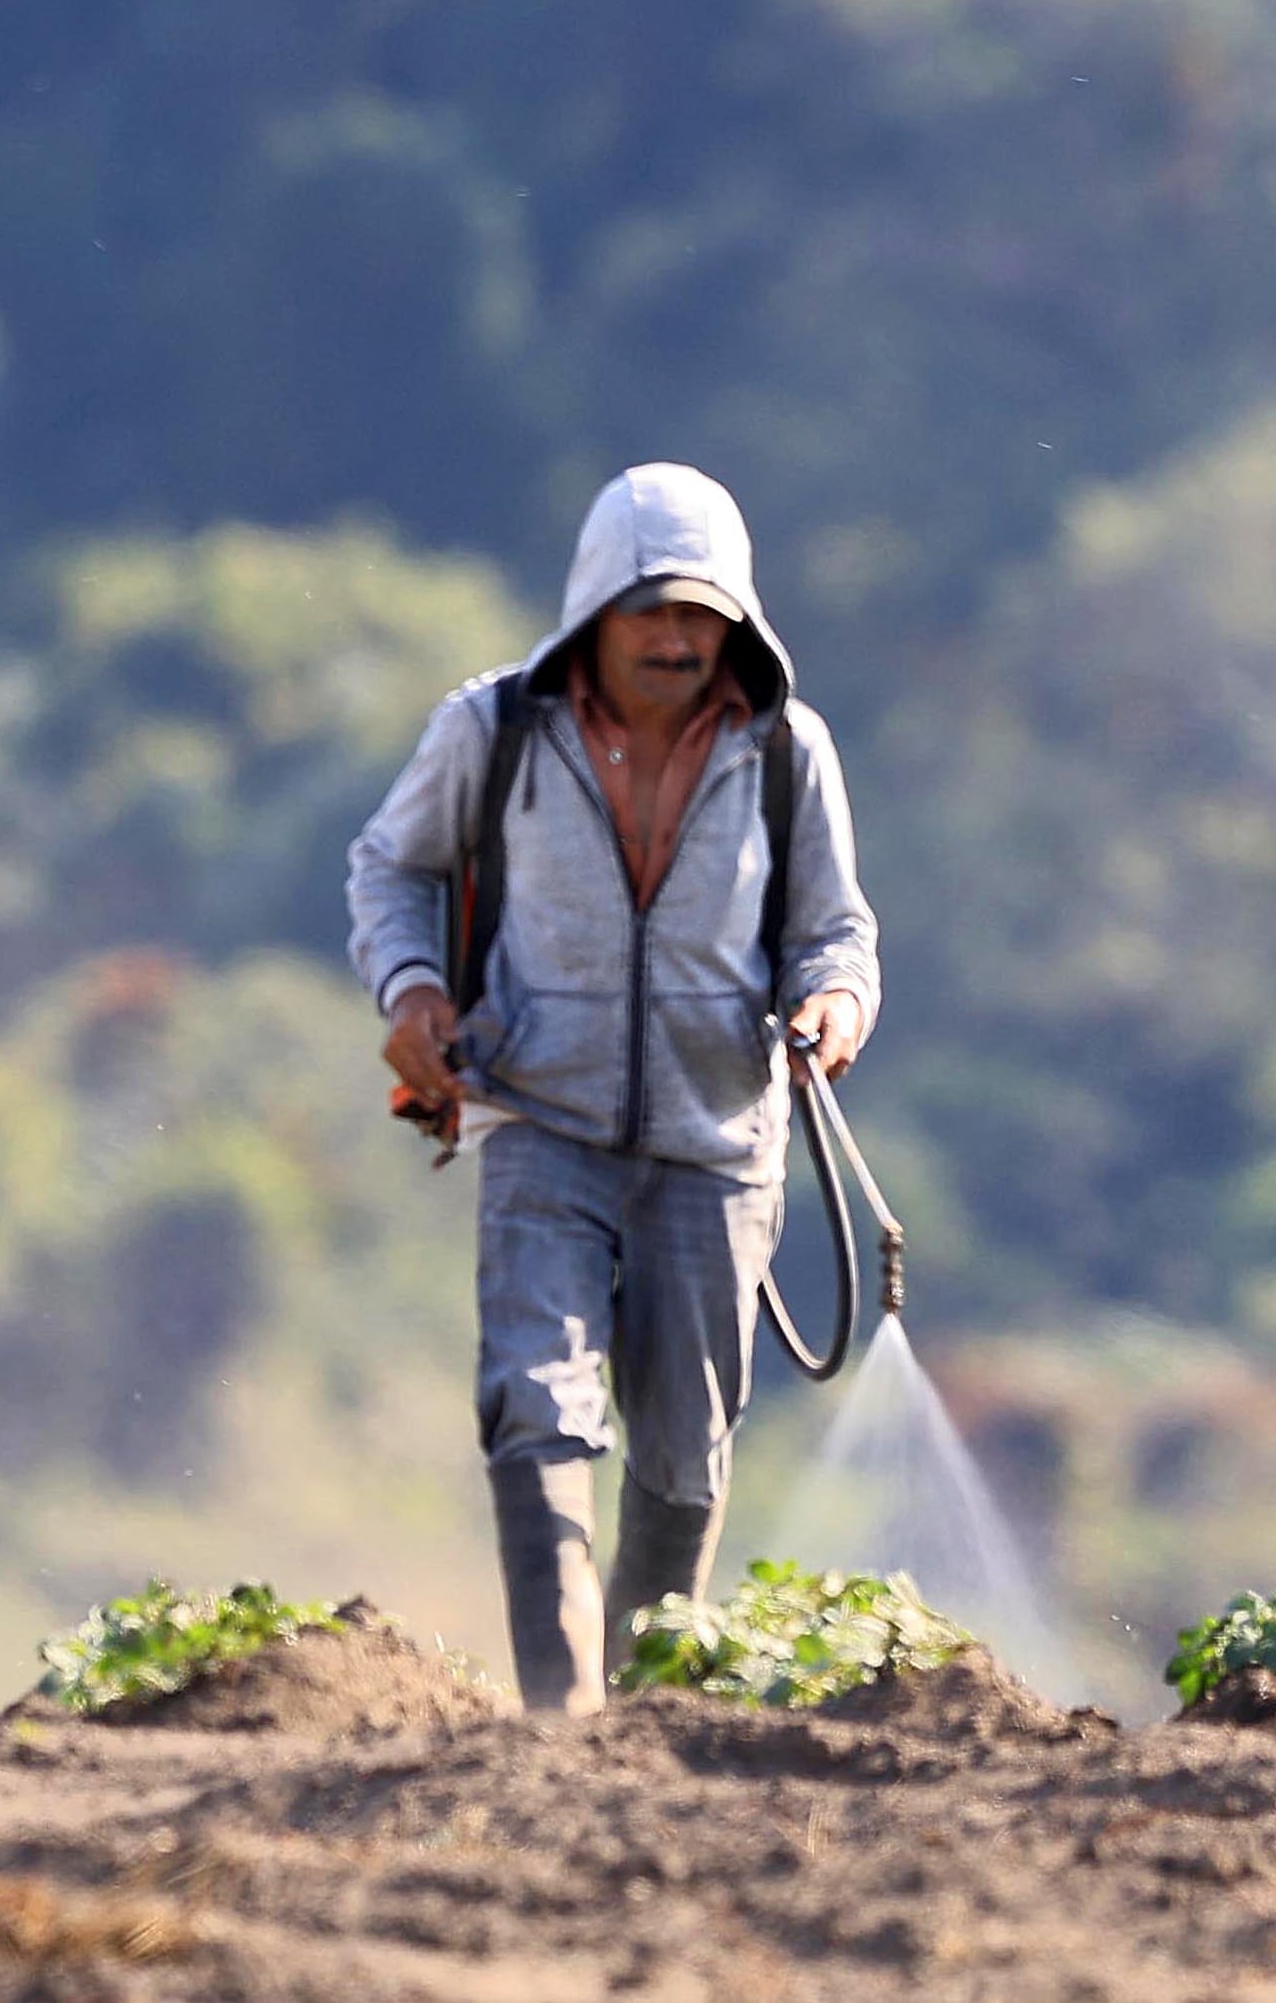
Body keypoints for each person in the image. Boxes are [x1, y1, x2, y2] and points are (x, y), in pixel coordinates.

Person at [345, 461, 879, 1713]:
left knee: (685, 1462)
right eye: (652, 610)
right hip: (542, 1114)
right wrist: (413, 994)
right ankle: (560, 1721)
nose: (677, 638)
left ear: (737, 623)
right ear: (595, 610)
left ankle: (646, 1717)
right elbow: (389, 867)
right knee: (537, 1411)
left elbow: (833, 934)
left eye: (702, 615)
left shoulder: (785, 750)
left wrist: (833, 1008)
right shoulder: (492, 730)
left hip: (716, 1141)